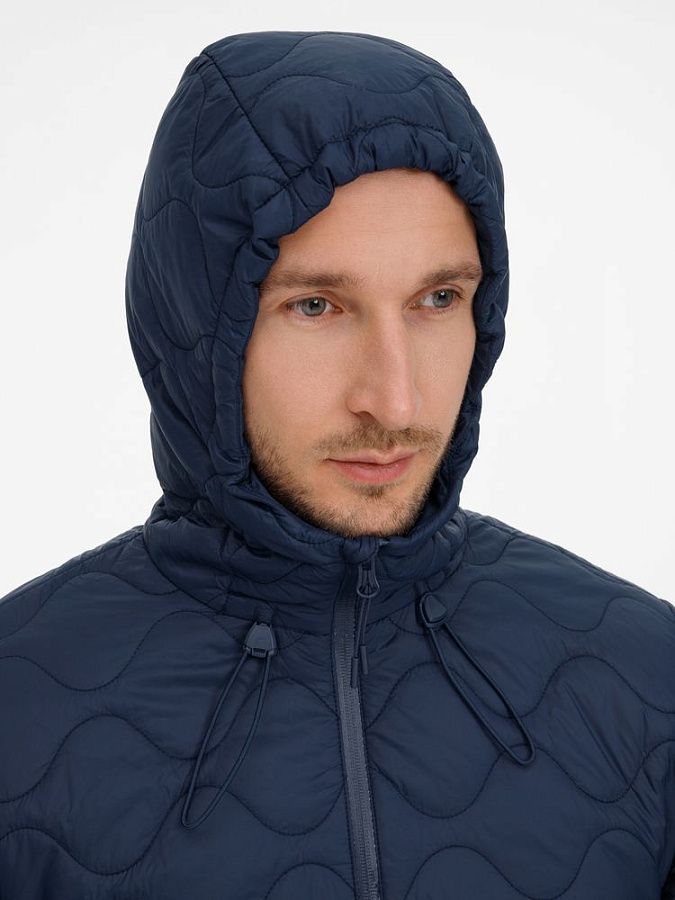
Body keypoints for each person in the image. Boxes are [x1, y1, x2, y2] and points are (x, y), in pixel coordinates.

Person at [1, 29, 673, 899]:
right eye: (316, 306)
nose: (394, 402)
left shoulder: (647, 676)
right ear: (197, 321)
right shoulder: (18, 710)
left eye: (438, 299)